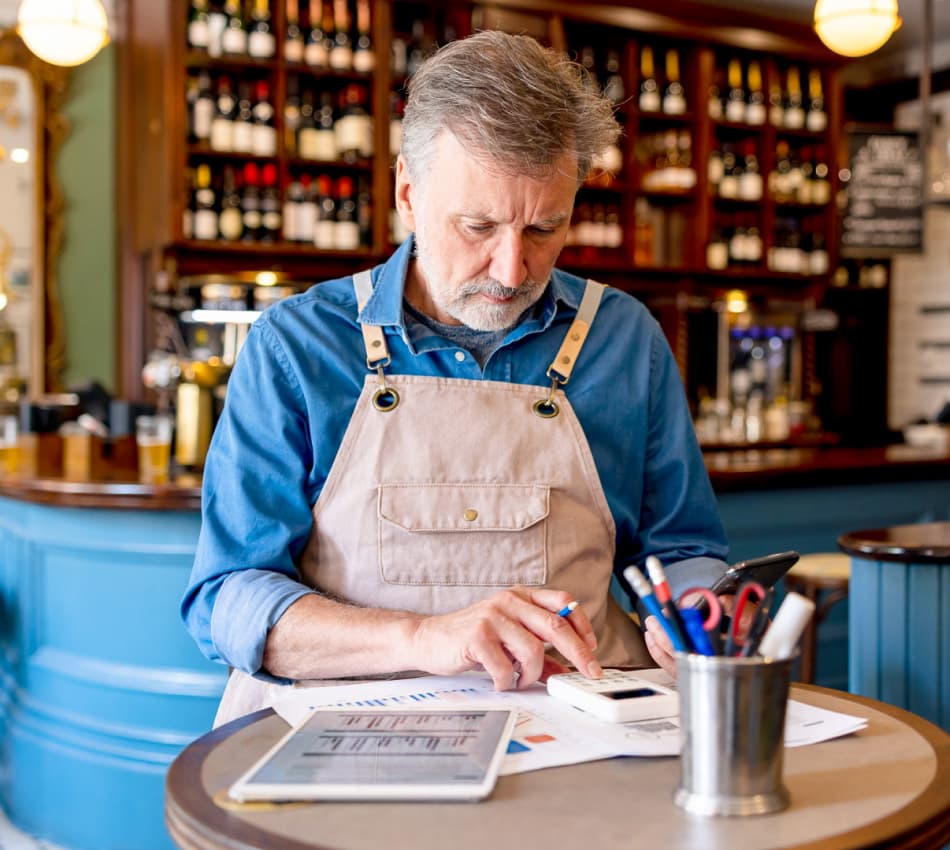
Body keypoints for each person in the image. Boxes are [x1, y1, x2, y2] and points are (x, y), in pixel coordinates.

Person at [181, 29, 729, 727]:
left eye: (544, 230)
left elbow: (683, 550)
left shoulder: (625, 341)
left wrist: (698, 607)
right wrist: (423, 638)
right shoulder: (297, 345)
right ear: (408, 193)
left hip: (582, 732)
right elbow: (228, 599)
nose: (511, 269)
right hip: (349, 738)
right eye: (478, 226)